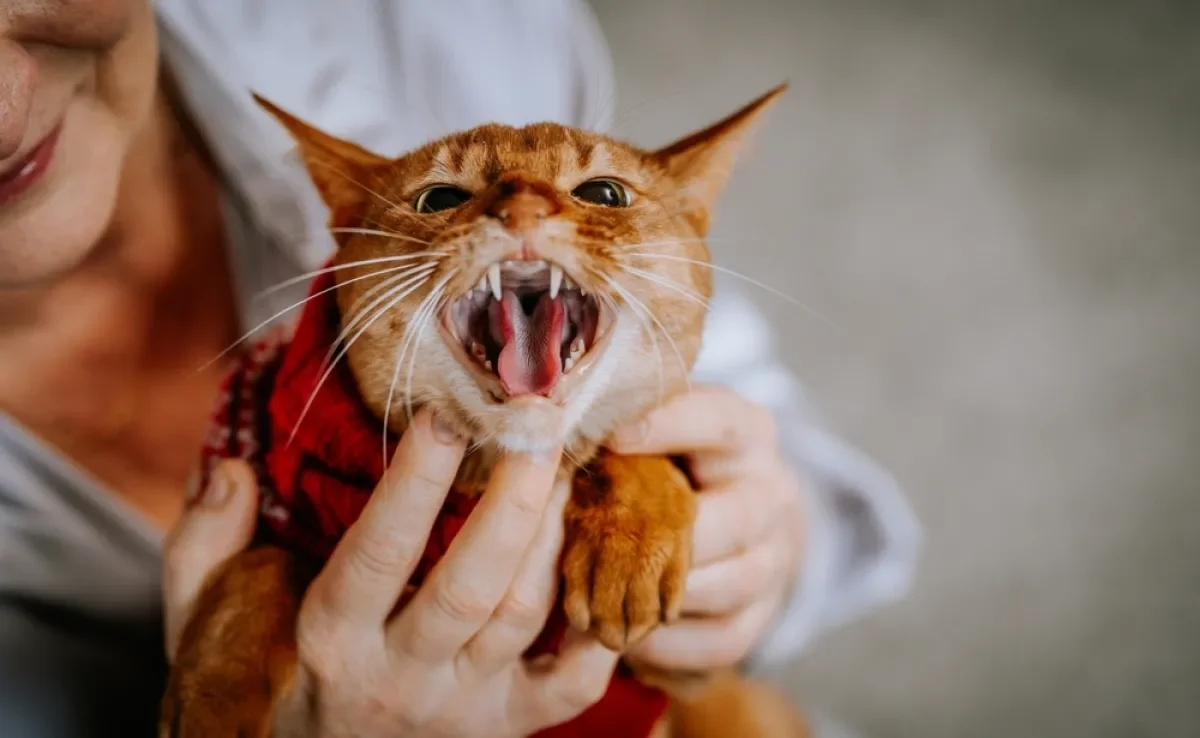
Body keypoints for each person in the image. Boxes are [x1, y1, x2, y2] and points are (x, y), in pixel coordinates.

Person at [0, 1, 919, 736]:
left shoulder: (451, 18)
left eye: (596, 194)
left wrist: (767, 540)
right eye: (443, 198)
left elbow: (736, 400)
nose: (524, 209)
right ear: (348, 209)